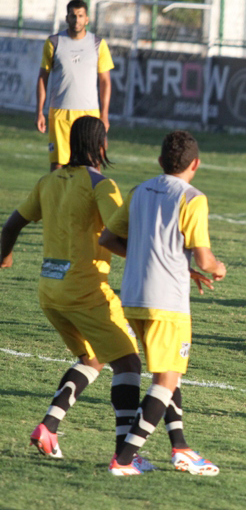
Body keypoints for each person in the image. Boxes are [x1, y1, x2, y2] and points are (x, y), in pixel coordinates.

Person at [0, 116, 145, 468]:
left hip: (49, 291)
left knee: (92, 358)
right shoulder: (101, 184)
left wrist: (4, 255)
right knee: (128, 362)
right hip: (86, 291)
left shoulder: (48, 182)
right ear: (100, 145)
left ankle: (48, 428)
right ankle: (125, 455)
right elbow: (116, 232)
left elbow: (13, 222)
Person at [100, 131, 226, 476]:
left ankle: (181, 448)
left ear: (159, 162)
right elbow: (205, 258)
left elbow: (108, 238)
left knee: (167, 372)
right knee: (166, 380)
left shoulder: (138, 191)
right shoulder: (192, 198)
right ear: (195, 164)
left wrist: (157, 259)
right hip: (167, 303)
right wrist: (217, 268)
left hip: (134, 297)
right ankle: (124, 460)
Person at [36, 0, 114, 172]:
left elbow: (105, 82)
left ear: (87, 19)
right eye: (73, 16)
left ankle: (90, 199)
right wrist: (40, 111)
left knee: (93, 163)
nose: (76, 20)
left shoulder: (98, 44)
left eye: (80, 16)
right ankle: (55, 199)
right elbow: (43, 77)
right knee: (58, 165)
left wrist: (105, 114)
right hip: (60, 112)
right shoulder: (54, 42)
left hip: (90, 112)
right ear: (67, 18)